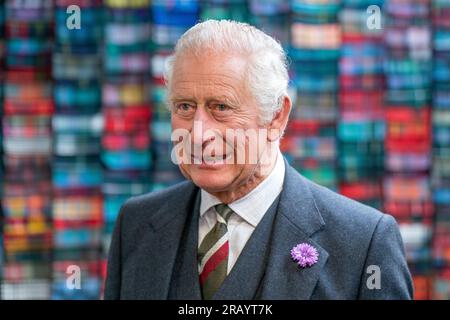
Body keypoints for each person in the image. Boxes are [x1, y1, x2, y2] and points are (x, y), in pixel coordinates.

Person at [104, 20, 413, 300]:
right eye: (184, 106)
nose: (198, 135)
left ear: (276, 117)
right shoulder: (136, 223)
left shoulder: (365, 244)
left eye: (221, 107)